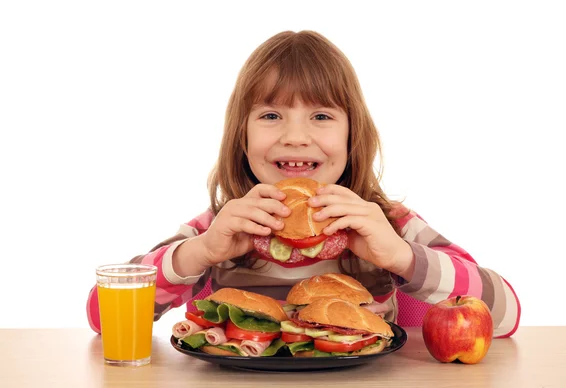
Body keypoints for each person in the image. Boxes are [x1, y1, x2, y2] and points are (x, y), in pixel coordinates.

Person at [86, 30, 520, 338]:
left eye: (322, 116)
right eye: (271, 116)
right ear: (243, 136)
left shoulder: (384, 222)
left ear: (353, 137)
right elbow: (102, 317)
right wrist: (199, 253)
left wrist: (402, 257)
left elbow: (505, 314)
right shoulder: (223, 224)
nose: (295, 136)